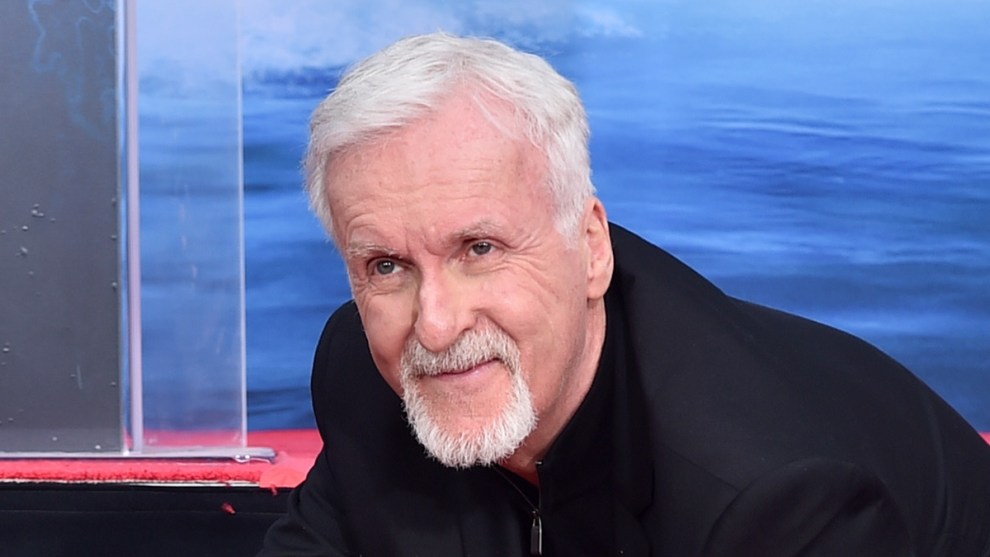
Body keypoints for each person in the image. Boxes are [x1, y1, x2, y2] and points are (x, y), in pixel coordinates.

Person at [259, 32, 990, 556]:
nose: (437, 324)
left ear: (592, 249)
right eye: (387, 266)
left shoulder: (770, 498)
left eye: (479, 248)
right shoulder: (365, 372)